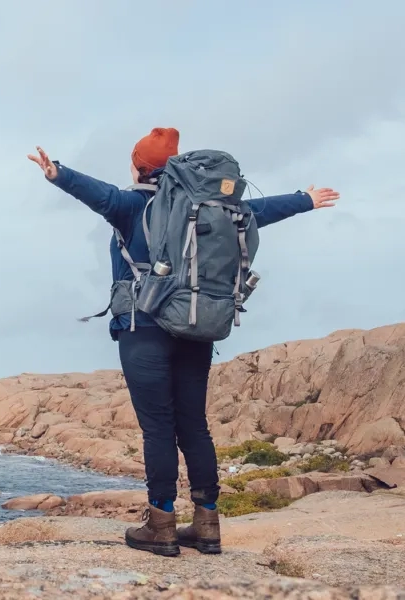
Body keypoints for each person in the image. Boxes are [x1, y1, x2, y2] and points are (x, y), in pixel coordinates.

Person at [29, 127, 339, 557]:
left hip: (144, 329)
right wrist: (304, 200)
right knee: (194, 426)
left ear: (139, 166)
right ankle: (207, 524)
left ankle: (160, 525)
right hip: (197, 327)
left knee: (158, 428)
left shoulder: (129, 204)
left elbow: (94, 192)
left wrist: (57, 173)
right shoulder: (210, 208)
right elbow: (257, 211)